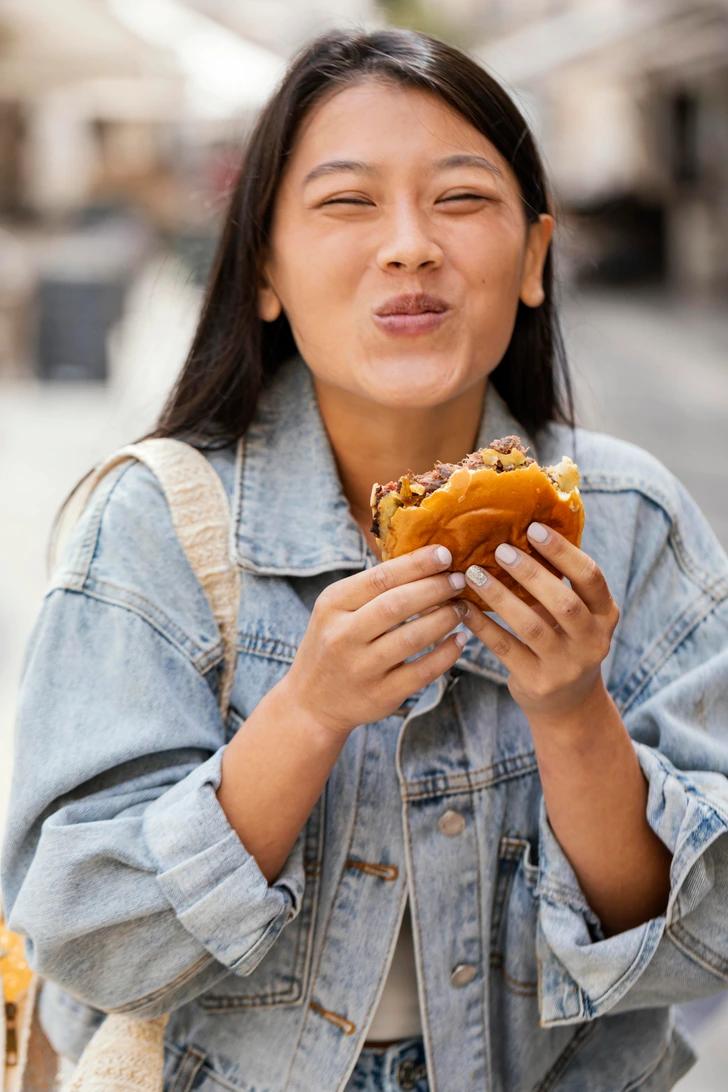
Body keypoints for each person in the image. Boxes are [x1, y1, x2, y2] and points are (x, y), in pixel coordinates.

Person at [2, 26, 728, 1092]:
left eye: (461, 199)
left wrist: (573, 711)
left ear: (532, 260)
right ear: (261, 269)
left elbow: (692, 943)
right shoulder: (156, 523)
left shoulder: (629, 522)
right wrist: (304, 712)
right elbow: (84, 934)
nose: (409, 245)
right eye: (346, 202)